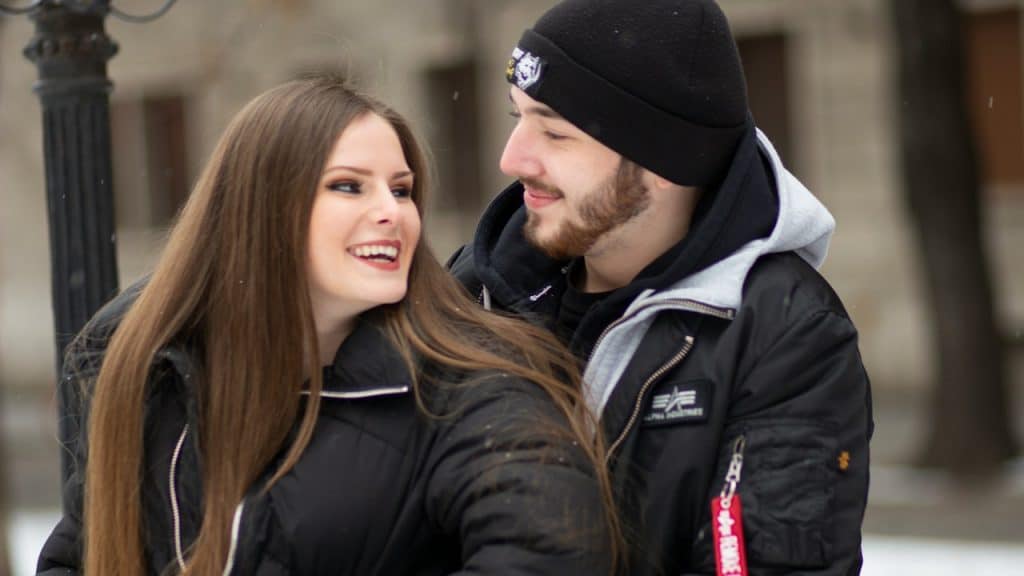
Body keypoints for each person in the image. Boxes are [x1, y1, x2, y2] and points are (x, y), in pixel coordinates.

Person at [36, 75, 618, 575]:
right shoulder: (154, 372)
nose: (391, 212)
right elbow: (78, 555)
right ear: (260, 208)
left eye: (401, 190)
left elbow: (549, 556)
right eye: (347, 186)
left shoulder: (475, 389)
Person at [448, 0, 873, 574]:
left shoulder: (782, 335)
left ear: (662, 158)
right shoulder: (472, 294)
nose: (511, 158)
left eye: (554, 131)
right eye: (516, 116)